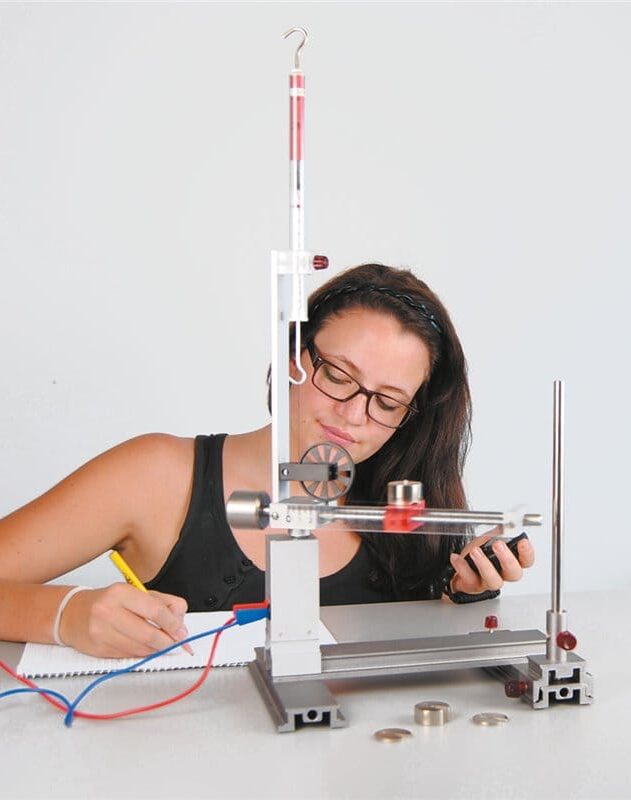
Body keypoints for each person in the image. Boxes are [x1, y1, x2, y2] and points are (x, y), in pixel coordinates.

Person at [0, 263, 534, 659]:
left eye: (387, 403)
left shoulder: (402, 504)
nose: (352, 415)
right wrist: (67, 615)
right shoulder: (157, 476)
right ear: (292, 356)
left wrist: (463, 597)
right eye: (337, 376)